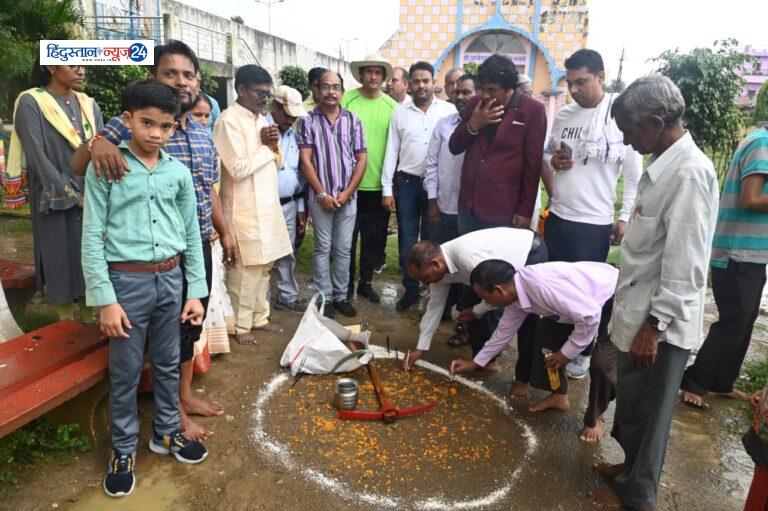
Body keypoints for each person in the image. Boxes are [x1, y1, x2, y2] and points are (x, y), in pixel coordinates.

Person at [70, 40, 234, 442]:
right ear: (153, 76)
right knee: (143, 352)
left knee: (185, 332)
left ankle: (181, 401)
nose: (181, 81)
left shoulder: (197, 130)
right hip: (137, 262)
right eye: (170, 73)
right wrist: (96, 144)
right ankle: (158, 424)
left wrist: (225, 230)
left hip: (189, 250)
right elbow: (79, 167)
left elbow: (207, 190)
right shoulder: (130, 124)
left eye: (188, 74)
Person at [588, 76, 719, 511]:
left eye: (628, 129)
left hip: (658, 322)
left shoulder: (690, 173)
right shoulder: (661, 165)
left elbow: (686, 264)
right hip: (639, 311)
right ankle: (627, 471)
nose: (624, 139)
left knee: (652, 415)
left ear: (657, 123)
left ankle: (637, 495)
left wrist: (655, 326)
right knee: (635, 403)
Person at [82, 80, 208, 498]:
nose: (156, 133)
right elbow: (92, 235)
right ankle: (122, 450)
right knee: (125, 371)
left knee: (170, 363)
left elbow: (191, 234)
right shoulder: (107, 167)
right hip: (127, 282)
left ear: (175, 128)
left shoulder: (177, 173)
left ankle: (167, 432)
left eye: (166, 126)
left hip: (172, 280)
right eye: (147, 123)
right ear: (128, 120)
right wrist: (105, 300)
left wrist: (195, 291)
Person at [541, 49, 641, 380]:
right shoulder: (565, 116)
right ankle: (557, 346)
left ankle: (582, 351)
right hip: (559, 216)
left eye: (581, 81)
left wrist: (624, 216)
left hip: (594, 223)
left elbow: (634, 177)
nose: (574, 89)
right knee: (556, 289)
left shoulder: (619, 118)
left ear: (601, 77)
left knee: (586, 295)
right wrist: (555, 163)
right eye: (570, 83)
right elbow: (548, 155)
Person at [681, 125, 768, 410]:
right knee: (733, 321)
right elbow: (751, 198)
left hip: (751, 252)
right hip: (736, 251)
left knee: (744, 321)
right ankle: (695, 382)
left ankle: (721, 383)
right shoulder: (762, 144)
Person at [8, 64, 104, 319]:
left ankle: (88, 320)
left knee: (91, 257)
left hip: (91, 194)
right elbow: (37, 157)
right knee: (59, 257)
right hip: (53, 195)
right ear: (51, 66)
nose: (81, 71)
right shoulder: (31, 102)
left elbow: (101, 148)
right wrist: (72, 195)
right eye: (73, 65)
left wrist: (94, 194)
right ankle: (63, 325)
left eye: (84, 65)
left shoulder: (88, 104)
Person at [451, 260, 617, 406]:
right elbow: (502, 334)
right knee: (546, 342)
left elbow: (590, 315)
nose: (486, 303)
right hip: (575, 306)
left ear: (499, 290)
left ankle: (595, 419)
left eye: (485, 298)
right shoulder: (515, 295)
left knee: (602, 361)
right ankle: (559, 397)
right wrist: (475, 363)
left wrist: (566, 353)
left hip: (608, 294)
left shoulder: (541, 287)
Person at [403, 228, 547, 397]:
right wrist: (421, 348)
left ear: (436, 264)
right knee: (470, 305)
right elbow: (434, 307)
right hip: (487, 272)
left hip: (528, 251)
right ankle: (486, 361)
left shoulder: (468, 259)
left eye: (424, 278)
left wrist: (477, 310)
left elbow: (498, 293)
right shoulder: (439, 269)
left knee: (527, 316)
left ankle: (523, 380)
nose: (424, 284)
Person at [214, 65, 292, 344]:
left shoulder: (261, 119)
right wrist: (265, 147)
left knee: (263, 268)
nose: (265, 99)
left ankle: (260, 318)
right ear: (241, 90)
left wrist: (271, 146)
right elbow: (236, 168)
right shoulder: (228, 121)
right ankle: (240, 325)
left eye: (268, 94)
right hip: (243, 209)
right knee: (244, 272)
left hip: (268, 208)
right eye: (260, 93)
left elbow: (278, 161)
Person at [381, 61, 456, 311]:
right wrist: (387, 190)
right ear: (409, 84)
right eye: (416, 81)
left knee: (435, 242)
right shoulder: (399, 113)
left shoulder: (448, 111)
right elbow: (391, 152)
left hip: (438, 186)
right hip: (407, 184)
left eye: (426, 80)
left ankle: (435, 294)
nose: (421, 85)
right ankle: (411, 289)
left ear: (433, 83)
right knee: (408, 240)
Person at [449, 53, 546, 234]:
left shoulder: (533, 110)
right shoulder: (474, 104)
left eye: (492, 90)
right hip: (469, 207)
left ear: (509, 88)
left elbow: (533, 167)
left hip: (504, 210)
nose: (485, 95)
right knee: (467, 261)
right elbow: (454, 146)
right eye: (482, 88)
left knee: (498, 262)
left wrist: (525, 211)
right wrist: (473, 125)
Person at [297, 71, 367, 318]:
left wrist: (347, 193)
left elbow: (361, 159)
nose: (330, 92)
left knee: (344, 249)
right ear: (317, 90)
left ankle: (340, 296)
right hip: (321, 197)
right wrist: (322, 194)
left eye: (335, 87)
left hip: (348, 198)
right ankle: (323, 298)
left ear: (342, 91)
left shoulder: (354, 120)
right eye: (325, 87)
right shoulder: (307, 121)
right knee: (322, 248)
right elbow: (306, 161)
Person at [342, 54, 398, 304]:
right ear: (361, 74)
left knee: (373, 240)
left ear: (383, 77)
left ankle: (365, 283)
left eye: (378, 72)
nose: (373, 76)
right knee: (346, 241)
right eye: (369, 72)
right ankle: (344, 286)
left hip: (378, 187)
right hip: (349, 186)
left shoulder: (392, 107)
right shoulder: (347, 100)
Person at [266, 85, 309, 312]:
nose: (291, 119)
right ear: (275, 107)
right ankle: (261, 303)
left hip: (290, 203)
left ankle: (287, 296)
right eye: (287, 113)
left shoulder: (294, 134)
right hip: (265, 204)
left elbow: (298, 176)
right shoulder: (261, 129)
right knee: (263, 256)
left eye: (294, 115)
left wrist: (301, 208)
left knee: (287, 252)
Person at [425, 74, 476, 245]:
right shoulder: (443, 125)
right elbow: (431, 165)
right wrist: (432, 202)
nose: (459, 97)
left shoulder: (486, 127)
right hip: (443, 207)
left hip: (472, 211)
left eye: (466, 92)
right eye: (457, 92)